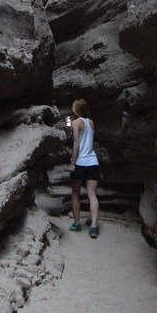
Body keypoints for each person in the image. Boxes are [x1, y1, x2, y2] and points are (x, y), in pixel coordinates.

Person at [68, 97, 100, 238]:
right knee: (92, 194)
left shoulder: (75, 122)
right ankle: (93, 226)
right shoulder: (91, 122)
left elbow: (76, 144)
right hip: (93, 162)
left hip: (80, 163)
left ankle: (77, 223)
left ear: (76, 109)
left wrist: (73, 163)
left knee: (75, 193)